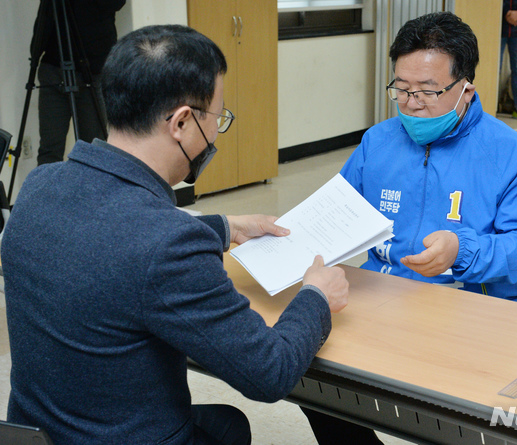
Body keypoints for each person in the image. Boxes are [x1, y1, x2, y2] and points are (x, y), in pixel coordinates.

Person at [3, 24, 349, 445]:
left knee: (227, 423)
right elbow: (269, 373)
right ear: (182, 122)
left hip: (42, 431)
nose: (216, 131)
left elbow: (109, 233)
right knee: (231, 426)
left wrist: (226, 227)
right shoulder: (167, 244)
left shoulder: (41, 186)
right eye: (217, 118)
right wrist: (315, 296)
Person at [301, 11, 517, 443]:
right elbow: (333, 216)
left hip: (471, 316)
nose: (412, 103)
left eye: (428, 91)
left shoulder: (511, 153)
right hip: (379, 307)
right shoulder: (378, 142)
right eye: (401, 89)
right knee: (303, 370)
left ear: (465, 88)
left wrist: (465, 250)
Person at [33, 0, 126, 165]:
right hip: (54, 65)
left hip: (92, 68)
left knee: (92, 150)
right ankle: (50, 191)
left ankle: (91, 191)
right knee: (49, 150)